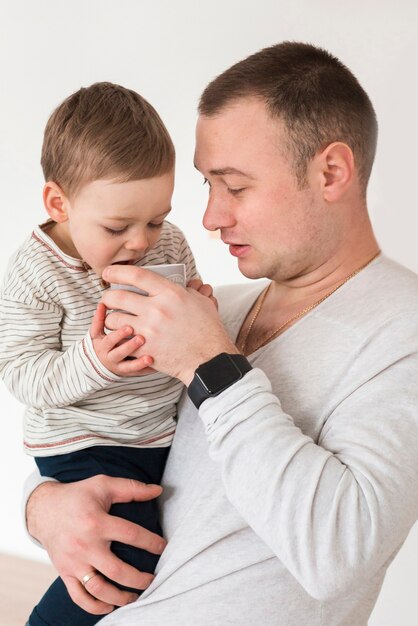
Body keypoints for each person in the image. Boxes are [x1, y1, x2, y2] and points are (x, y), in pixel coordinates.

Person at [24, 42, 418, 626]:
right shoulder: (213, 310)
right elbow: (87, 431)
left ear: (331, 171)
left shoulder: (401, 331)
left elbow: (339, 557)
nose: (209, 217)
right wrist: (42, 508)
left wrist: (211, 363)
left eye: (235, 185)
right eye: (207, 185)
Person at [0, 81, 216, 626]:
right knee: (129, 556)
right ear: (59, 203)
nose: (141, 242)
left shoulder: (167, 243)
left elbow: (186, 312)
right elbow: (21, 374)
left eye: (156, 218)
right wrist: (93, 361)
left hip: (157, 429)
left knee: (171, 548)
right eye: (117, 227)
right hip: (84, 439)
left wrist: (198, 307)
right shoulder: (36, 274)